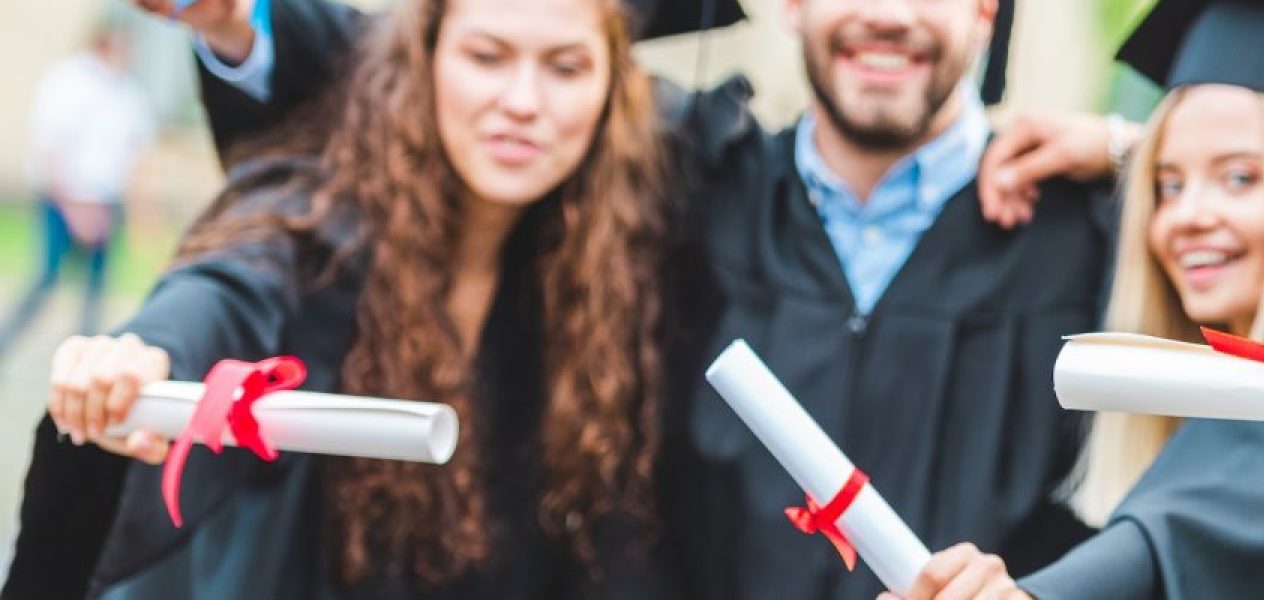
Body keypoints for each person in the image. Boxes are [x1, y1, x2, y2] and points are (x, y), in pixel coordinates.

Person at [125, 0, 1113, 598]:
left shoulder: (1087, 224)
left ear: (989, 8)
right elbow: (446, 67)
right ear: (792, 8)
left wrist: (1138, 151)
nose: (887, 12)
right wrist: (242, 18)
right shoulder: (700, 177)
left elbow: (1255, 255)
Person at [4, 0, 686, 597]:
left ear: (614, 88)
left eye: (566, 68)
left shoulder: (612, 271)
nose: (523, 101)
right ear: (427, 55)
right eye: (486, 56)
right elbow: (228, 293)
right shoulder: (319, 223)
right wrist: (146, 356)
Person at [891, 2, 1264, 598]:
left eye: (1240, 177)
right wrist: (1119, 151)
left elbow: (1178, 534)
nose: (1188, 216)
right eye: (1167, 184)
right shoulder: (1192, 390)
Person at [0, 20, 155, 356]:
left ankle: (80, 360)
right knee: (45, 281)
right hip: (64, 200)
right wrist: (75, 208)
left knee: (95, 292)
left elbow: (135, 159)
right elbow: (51, 149)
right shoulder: (70, 81)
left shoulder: (128, 93)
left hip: (105, 202)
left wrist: (139, 215)